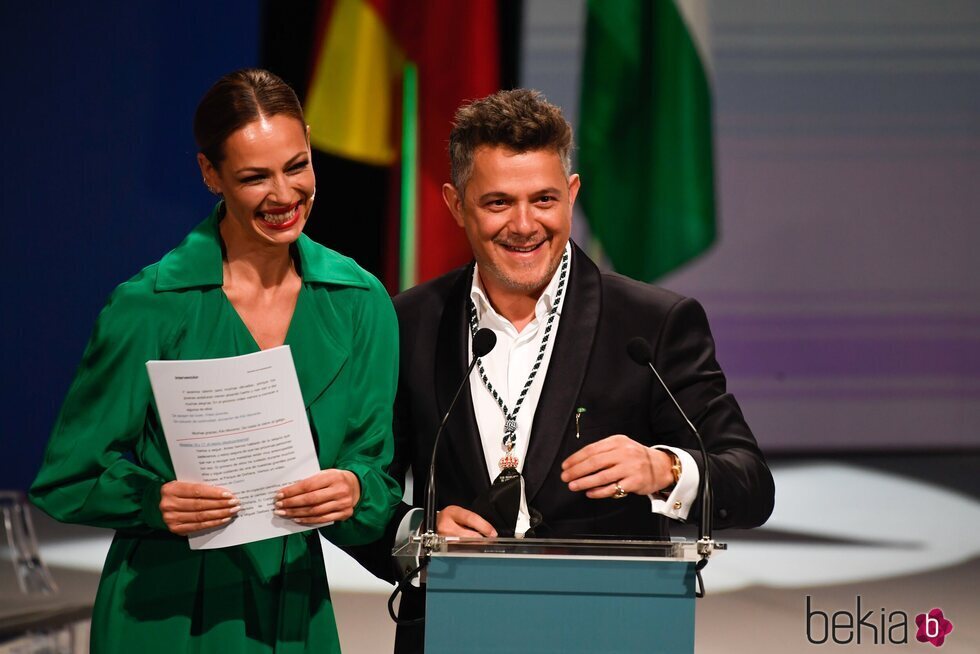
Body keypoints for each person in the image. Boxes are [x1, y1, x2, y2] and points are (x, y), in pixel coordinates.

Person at [348, 88, 775, 651]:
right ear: (456, 204)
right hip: (454, 627)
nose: (525, 225)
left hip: (612, 629)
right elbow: (364, 489)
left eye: (544, 200)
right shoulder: (410, 321)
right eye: (498, 202)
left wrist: (664, 469)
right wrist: (416, 535)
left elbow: (750, 483)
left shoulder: (652, 323)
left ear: (572, 195)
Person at [29, 69, 402, 653]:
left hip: (294, 606)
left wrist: (353, 490)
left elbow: (375, 470)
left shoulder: (360, 301)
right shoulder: (148, 305)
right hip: (165, 609)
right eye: (255, 177)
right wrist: (152, 500)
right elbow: (69, 478)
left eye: (297, 165)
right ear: (211, 174)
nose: (284, 196)